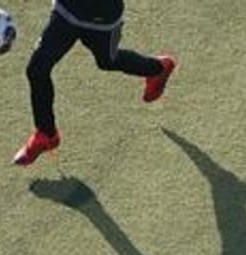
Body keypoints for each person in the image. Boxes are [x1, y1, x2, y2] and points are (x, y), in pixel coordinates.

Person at [14, 0, 175, 166]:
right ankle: (46, 133)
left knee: (107, 61)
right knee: (37, 69)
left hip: (102, 16)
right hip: (66, 10)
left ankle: (157, 69)